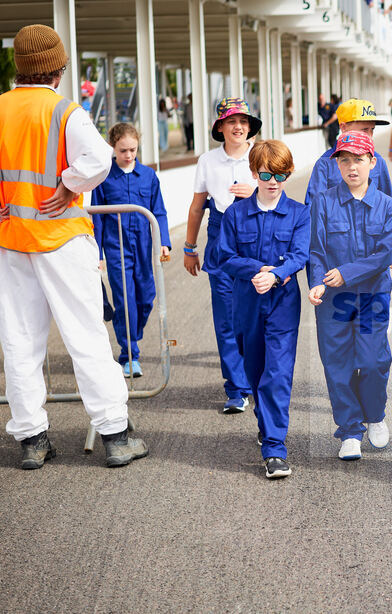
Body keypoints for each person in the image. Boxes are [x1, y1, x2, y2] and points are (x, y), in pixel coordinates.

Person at [0, 24, 147, 469]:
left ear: (18, 66)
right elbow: (100, 159)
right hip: (61, 237)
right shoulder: (67, 112)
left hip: (11, 242)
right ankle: (116, 437)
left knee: (20, 343)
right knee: (86, 338)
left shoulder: (1, 108)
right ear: (58, 70)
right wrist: (68, 184)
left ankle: (31, 440)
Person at [218, 140, 309, 479]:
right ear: (255, 173)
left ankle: (274, 448)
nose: (274, 182)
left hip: (283, 304)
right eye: (268, 174)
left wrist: (276, 275)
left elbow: (301, 255)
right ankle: (265, 420)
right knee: (255, 370)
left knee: (278, 374)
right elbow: (224, 257)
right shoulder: (235, 213)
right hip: (247, 302)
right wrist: (259, 270)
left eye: (282, 175)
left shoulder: (300, 213)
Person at [308, 131, 392, 461]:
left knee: (375, 361)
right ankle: (349, 430)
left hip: (372, 295)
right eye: (344, 160)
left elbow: (385, 253)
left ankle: (374, 415)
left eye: (358, 160)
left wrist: (346, 272)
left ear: (372, 163)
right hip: (333, 298)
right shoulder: (323, 202)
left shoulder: (388, 207)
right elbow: (316, 249)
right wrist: (318, 281)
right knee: (338, 365)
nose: (352, 167)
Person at [183, 97, 261, 414]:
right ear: (221, 127)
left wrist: (256, 189)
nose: (238, 126)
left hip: (256, 239)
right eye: (231, 121)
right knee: (227, 319)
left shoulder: (261, 155)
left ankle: (257, 379)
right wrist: (190, 247)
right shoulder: (207, 161)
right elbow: (196, 206)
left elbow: (281, 196)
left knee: (254, 317)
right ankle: (236, 388)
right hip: (220, 238)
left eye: (243, 121)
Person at [92, 122, 171, 378]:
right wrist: (98, 253)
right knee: (125, 301)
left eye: (133, 150)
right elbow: (97, 218)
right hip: (116, 248)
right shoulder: (103, 178)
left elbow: (158, 210)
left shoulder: (148, 176)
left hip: (143, 246)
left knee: (146, 297)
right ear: (112, 148)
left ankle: (130, 331)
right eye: (123, 150)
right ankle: (129, 355)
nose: (128, 155)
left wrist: (164, 241)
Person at [304, 98, 392, 209]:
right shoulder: (324, 164)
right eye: (364, 130)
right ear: (343, 127)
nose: (369, 135)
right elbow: (314, 209)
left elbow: (388, 204)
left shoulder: (378, 160)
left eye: (372, 129)